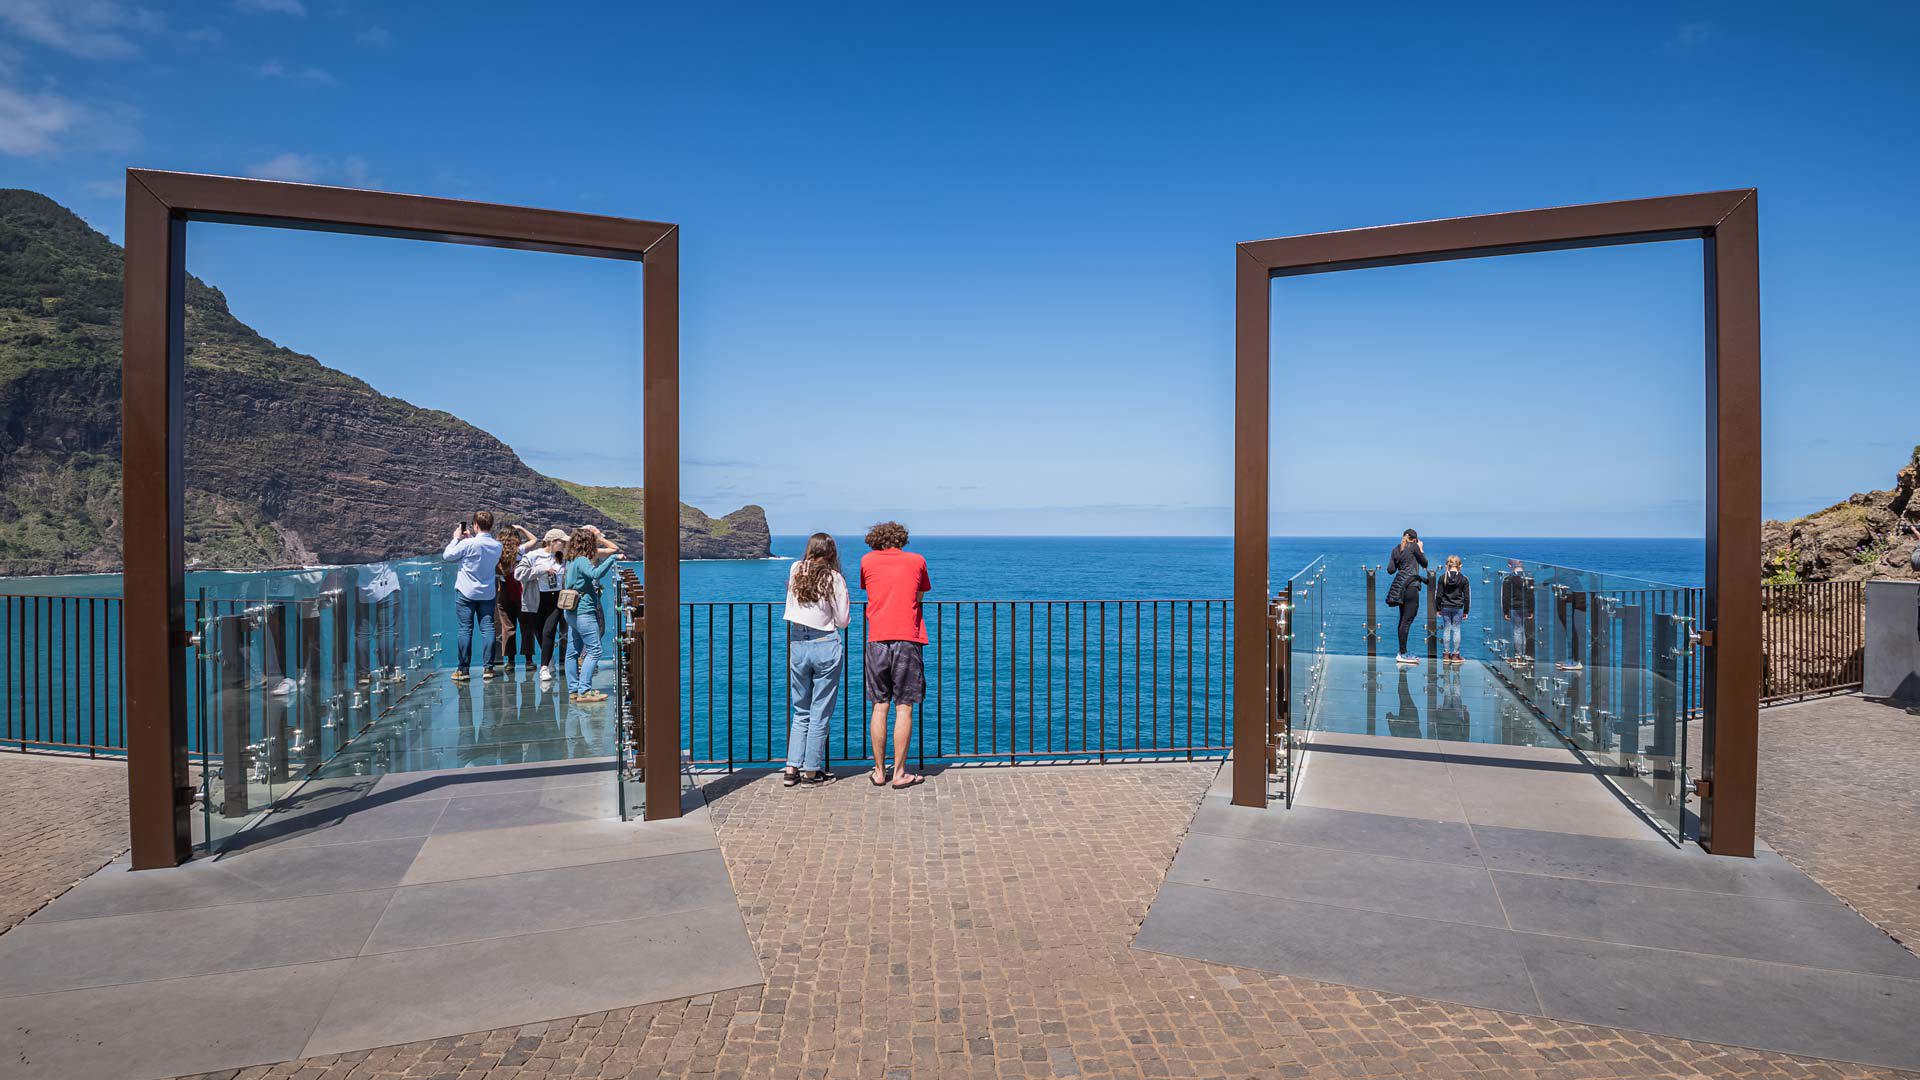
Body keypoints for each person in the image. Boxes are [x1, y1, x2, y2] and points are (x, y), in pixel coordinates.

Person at [860, 521, 929, 789]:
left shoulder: (867, 561)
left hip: (877, 638)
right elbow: (919, 595)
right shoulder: (917, 560)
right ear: (902, 539)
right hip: (907, 638)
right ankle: (899, 773)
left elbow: (870, 589)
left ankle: (879, 772)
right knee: (904, 707)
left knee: (880, 705)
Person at [782, 532, 850, 787]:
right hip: (825, 644)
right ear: (831, 552)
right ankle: (811, 772)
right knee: (819, 711)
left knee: (801, 710)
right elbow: (842, 620)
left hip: (798, 642)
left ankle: (791, 769)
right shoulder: (834, 578)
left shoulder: (796, 569)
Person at [561, 525, 623, 703]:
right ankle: (584, 691)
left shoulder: (570, 559)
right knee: (595, 650)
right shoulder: (582, 560)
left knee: (573, 651)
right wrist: (612, 559)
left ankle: (574, 690)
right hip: (584, 611)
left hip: (570, 611)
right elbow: (595, 574)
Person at [443, 511, 504, 681]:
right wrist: (470, 539)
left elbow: (447, 556)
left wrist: (456, 539)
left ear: (475, 525)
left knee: (465, 629)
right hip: (487, 593)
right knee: (488, 628)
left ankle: (463, 670)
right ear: (491, 525)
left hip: (466, 592)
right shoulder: (497, 546)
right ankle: (488, 668)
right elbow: (481, 553)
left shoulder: (467, 543)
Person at [513, 525, 569, 684]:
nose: (564, 544)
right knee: (539, 632)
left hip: (556, 599)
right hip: (537, 599)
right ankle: (548, 659)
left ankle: (543, 667)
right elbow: (518, 574)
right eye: (562, 541)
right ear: (552, 542)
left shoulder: (563, 557)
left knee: (549, 631)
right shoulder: (533, 556)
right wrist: (541, 569)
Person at [1383, 529, 1428, 665]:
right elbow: (1425, 563)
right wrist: (1421, 549)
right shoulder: (1414, 547)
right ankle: (1402, 653)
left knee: (1403, 619)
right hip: (1411, 587)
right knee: (1407, 620)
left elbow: (1390, 570)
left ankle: (1402, 652)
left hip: (1400, 589)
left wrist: (1398, 561)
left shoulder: (1396, 549)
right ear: (1415, 539)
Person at [490, 541, 524, 672]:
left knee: (509, 628)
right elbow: (533, 540)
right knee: (525, 628)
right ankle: (527, 659)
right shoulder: (521, 552)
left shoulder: (497, 556)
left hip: (506, 595)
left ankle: (511, 661)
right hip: (519, 594)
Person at [1435, 555, 1470, 665]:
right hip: (1458, 607)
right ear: (1460, 565)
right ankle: (1455, 655)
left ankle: (1446, 654)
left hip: (1445, 607)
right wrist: (1466, 611)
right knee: (1456, 630)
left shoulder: (1442, 578)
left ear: (1448, 565)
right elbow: (1467, 597)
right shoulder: (1464, 579)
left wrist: (1438, 608)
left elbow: (1438, 595)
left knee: (1446, 629)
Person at [1499, 559, 1531, 663]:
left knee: (1517, 631)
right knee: (1523, 630)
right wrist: (1531, 610)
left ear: (1510, 565)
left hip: (1515, 607)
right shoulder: (1528, 577)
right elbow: (1531, 595)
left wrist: (1505, 611)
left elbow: (1505, 597)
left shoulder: (1508, 579)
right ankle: (1523, 654)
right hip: (1526, 607)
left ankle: (1518, 656)